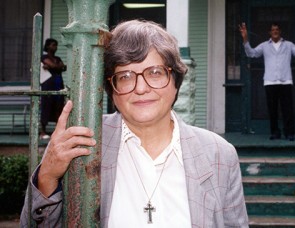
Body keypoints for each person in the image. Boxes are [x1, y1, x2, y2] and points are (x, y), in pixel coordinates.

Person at [21, 20, 248, 227]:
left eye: (156, 72)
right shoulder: (82, 140)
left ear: (176, 81)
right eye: (126, 76)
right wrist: (48, 178)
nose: (141, 88)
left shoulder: (219, 155)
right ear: (112, 90)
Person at [239, 22, 295, 141]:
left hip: (285, 81)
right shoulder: (264, 46)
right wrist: (245, 38)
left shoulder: (288, 45)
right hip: (270, 82)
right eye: (273, 29)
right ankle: (275, 133)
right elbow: (252, 53)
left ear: (280, 32)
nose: (275, 31)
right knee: (272, 110)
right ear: (270, 32)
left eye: (277, 29)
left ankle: (289, 133)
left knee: (288, 110)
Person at [40, 38, 66, 139]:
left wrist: (53, 66)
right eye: (53, 45)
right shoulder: (44, 57)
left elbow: (63, 67)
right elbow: (57, 66)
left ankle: (58, 131)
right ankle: (43, 132)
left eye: (56, 45)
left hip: (58, 85)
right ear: (47, 46)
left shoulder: (58, 58)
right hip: (48, 86)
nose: (55, 47)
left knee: (58, 107)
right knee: (46, 106)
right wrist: (56, 66)